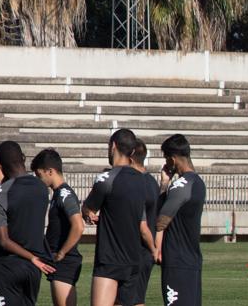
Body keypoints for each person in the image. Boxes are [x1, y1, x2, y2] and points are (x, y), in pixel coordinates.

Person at [82, 128, 155, 306]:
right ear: (131, 152)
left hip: (110, 260)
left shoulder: (106, 178)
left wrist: (87, 213)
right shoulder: (142, 181)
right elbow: (141, 221)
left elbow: (89, 208)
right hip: (133, 260)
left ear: (112, 146)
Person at [0, 141, 54, 306]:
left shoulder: (1, 193)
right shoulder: (41, 188)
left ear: (0, 165)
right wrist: (33, 258)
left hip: (9, 266)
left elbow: (3, 240)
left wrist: (30, 257)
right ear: (23, 158)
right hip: (34, 268)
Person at [155, 134, 205, 306]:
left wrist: (163, 186)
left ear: (173, 159)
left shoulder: (180, 186)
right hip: (192, 259)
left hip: (176, 261)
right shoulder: (198, 183)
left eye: (166, 159)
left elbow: (160, 221)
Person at [32, 148, 85, 306]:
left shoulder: (64, 195)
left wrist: (62, 252)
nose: (39, 180)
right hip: (59, 263)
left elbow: (79, 226)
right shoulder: (57, 194)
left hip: (65, 263)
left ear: (50, 171)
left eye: (39, 175)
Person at [124, 140, 160, 306]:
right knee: (136, 297)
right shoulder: (152, 182)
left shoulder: (136, 183)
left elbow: (142, 224)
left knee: (131, 299)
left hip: (139, 249)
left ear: (130, 158)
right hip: (145, 252)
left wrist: (153, 248)